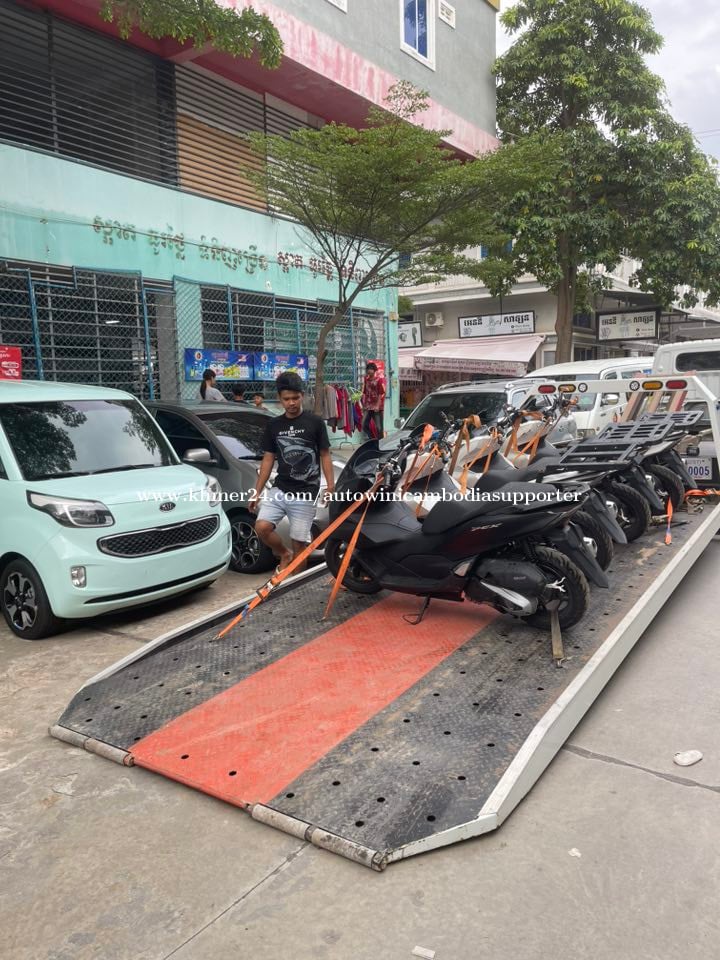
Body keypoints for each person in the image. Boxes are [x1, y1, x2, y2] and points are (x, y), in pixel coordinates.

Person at [249, 371, 335, 573]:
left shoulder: (315, 422)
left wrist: (330, 486)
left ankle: (296, 584)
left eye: (295, 398)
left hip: (306, 492)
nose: (292, 403)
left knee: (299, 545)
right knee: (261, 527)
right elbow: (268, 458)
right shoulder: (274, 425)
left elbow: (325, 455)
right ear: (280, 399)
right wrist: (257, 491)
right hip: (280, 488)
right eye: (286, 399)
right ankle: (283, 553)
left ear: (302, 396)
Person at [361, 362, 385, 439]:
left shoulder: (379, 380)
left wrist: (377, 405)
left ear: (374, 370)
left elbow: (380, 393)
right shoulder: (366, 380)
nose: (369, 370)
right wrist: (363, 405)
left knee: (379, 427)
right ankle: (372, 439)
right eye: (368, 369)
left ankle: (380, 442)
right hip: (368, 406)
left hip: (377, 407)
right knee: (364, 425)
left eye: (371, 369)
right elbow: (365, 393)